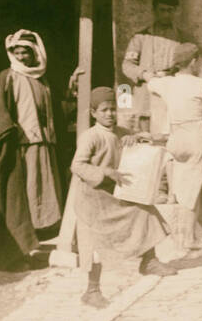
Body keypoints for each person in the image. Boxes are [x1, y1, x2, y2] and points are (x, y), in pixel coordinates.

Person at [71, 87, 176, 308]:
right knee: (95, 244)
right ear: (93, 113)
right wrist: (104, 172)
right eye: (104, 110)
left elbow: (133, 151)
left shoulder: (120, 131)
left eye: (113, 109)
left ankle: (149, 261)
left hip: (117, 194)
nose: (109, 114)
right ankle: (91, 290)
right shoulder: (90, 136)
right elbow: (77, 165)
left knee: (145, 212)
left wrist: (133, 138)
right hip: (94, 199)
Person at [0, 30, 62, 271]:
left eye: (26, 53)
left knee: (40, 200)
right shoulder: (7, 77)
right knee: (22, 200)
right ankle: (18, 251)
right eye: (17, 53)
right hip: (20, 150)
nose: (22, 57)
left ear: (35, 54)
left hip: (43, 148)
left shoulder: (43, 80)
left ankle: (32, 247)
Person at [147, 43, 202, 250]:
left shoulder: (167, 83)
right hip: (197, 134)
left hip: (176, 136)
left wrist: (159, 75)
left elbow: (151, 84)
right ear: (194, 61)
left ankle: (194, 233)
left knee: (183, 186)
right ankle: (188, 238)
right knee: (195, 188)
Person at [122, 0, 193, 137]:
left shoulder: (183, 37)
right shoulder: (140, 37)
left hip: (170, 91)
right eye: (162, 10)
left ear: (175, 11)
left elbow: (198, 60)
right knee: (143, 136)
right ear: (154, 10)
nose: (166, 14)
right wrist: (144, 74)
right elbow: (127, 65)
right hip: (146, 91)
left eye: (170, 10)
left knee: (167, 134)